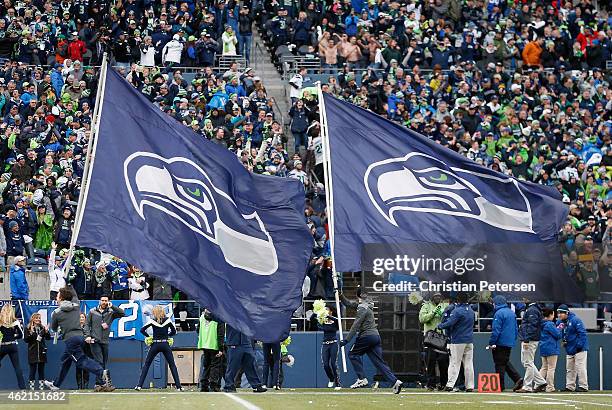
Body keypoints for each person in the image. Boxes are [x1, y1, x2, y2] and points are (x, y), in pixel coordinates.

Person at [43, 287, 114, 391]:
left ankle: (101, 372)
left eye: (58, 296)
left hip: (70, 340)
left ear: (61, 298)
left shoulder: (56, 313)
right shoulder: (76, 305)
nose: (56, 298)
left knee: (81, 361)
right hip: (80, 337)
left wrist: (60, 325)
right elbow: (75, 294)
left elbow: (53, 328)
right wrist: (70, 284)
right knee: (65, 361)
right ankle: (56, 384)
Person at [340, 290, 403, 394]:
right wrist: (341, 295)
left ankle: (361, 379)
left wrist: (347, 339)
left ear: (357, 295)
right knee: (379, 362)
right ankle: (395, 381)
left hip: (366, 336)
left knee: (352, 354)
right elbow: (348, 304)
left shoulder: (362, 308)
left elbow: (356, 324)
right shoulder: (366, 305)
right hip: (375, 337)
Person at [135, 305, 183, 391]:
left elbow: (142, 330)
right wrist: (168, 336)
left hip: (155, 344)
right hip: (165, 344)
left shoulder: (152, 321)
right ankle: (179, 387)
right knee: (172, 365)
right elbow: (174, 331)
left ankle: (139, 386)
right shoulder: (168, 320)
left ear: (155, 312)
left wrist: (149, 336)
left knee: (146, 365)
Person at [85, 296, 125, 391]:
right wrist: (88, 335)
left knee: (103, 362)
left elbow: (122, 313)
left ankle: (100, 384)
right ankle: (99, 383)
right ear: (99, 301)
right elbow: (87, 324)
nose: (104, 302)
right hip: (95, 340)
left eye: (106, 301)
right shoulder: (92, 311)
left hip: (105, 340)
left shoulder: (111, 312)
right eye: (102, 300)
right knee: (99, 361)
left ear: (108, 302)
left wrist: (113, 306)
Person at [437, 292, 475, 392]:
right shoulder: (471, 311)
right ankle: (470, 386)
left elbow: (449, 323)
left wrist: (440, 326)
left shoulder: (457, 311)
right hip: (469, 341)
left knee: (454, 363)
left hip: (458, 340)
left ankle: (450, 385)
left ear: (458, 300)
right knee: (468, 364)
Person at [488, 295, 523, 392]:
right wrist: (513, 339)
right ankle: (517, 379)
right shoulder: (511, 313)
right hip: (509, 342)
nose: (493, 305)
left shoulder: (498, 313)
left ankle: (500, 385)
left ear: (497, 303)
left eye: (494, 303)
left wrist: (492, 342)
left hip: (500, 342)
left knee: (499, 364)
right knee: (504, 361)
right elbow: (516, 329)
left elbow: (496, 330)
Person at [222, 323, 267, 393]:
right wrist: (210, 314)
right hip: (234, 342)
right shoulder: (229, 312)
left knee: (250, 365)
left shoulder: (246, 312)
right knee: (232, 366)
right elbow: (220, 317)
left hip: (246, 342)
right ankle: (228, 386)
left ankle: (256, 386)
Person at [419, 292, 449, 390]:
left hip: (442, 338)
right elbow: (422, 319)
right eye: (435, 296)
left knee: (443, 362)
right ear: (432, 298)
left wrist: (443, 314)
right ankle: (430, 384)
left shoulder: (445, 305)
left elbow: (449, 318)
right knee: (430, 362)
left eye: (439, 296)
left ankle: (443, 384)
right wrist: (433, 313)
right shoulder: (426, 306)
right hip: (430, 338)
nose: (437, 298)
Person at [557, 305, 589, 392]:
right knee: (570, 368)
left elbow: (582, 334)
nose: (559, 315)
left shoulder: (575, 320)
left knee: (580, 367)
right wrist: (564, 341)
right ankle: (570, 386)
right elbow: (560, 332)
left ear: (567, 313)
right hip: (570, 348)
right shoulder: (561, 322)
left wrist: (579, 346)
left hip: (579, 348)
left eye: (561, 313)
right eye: (558, 313)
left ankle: (583, 386)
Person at [517, 302, 547, 393]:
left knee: (528, 363)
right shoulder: (532, 309)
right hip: (530, 338)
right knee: (526, 362)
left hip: (530, 339)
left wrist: (526, 339)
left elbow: (531, 326)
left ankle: (527, 386)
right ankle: (541, 382)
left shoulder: (532, 310)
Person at [197, 310, 225, 392]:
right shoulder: (219, 317)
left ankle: (204, 385)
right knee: (215, 366)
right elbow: (221, 334)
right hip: (214, 345)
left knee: (206, 366)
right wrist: (221, 348)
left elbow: (197, 330)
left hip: (204, 345)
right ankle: (214, 385)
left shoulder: (202, 317)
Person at [0, 304, 26, 389]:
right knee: (17, 367)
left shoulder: (0, 322)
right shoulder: (15, 321)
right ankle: (23, 389)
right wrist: (13, 336)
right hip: (13, 346)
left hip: (3, 346)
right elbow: (21, 335)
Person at [24, 312, 50, 390]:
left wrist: (46, 331)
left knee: (41, 371)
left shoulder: (42, 328)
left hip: (42, 352)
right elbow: (26, 340)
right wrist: (31, 333)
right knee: (33, 370)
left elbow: (48, 338)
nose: (38, 319)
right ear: (33, 319)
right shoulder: (27, 328)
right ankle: (31, 389)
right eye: (36, 318)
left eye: (39, 318)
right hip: (33, 353)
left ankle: (41, 388)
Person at [317, 306, 341, 389]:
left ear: (331, 311)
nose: (325, 311)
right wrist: (317, 312)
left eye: (327, 310)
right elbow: (313, 319)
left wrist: (327, 316)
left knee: (333, 364)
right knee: (325, 365)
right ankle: (331, 378)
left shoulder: (334, 321)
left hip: (333, 344)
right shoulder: (323, 321)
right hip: (325, 345)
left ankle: (337, 383)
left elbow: (338, 321)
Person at [539, 308, 561, 393]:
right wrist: (559, 328)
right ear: (550, 315)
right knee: (551, 368)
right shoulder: (549, 324)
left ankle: (538, 385)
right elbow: (558, 335)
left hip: (543, 347)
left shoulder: (541, 324)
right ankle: (550, 387)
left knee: (544, 367)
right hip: (551, 348)